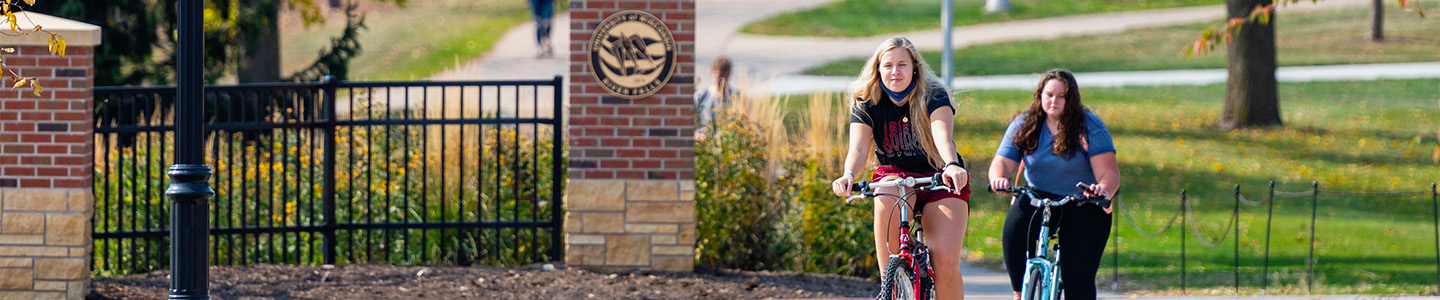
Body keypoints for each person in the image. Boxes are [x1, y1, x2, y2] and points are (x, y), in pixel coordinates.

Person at [830, 36, 971, 300]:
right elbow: (859, 149)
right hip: (896, 177)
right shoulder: (867, 100)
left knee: (944, 259)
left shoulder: (933, 94)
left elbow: (943, 136)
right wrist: (849, 175)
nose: (895, 71)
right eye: (888, 65)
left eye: (902, 65)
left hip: (939, 177)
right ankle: (891, 289)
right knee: (891, 243)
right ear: (878, 69)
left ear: (915, 68)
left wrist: (952, 165)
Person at [986, 69, 1120, 300]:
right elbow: (1002, 163)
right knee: (1014, 231)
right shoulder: (1025, 123)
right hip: (1038, 196)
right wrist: (999, 179)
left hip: (1081, 200)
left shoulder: (1089, 127)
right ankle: (1021, 293)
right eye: (1049, 94)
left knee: (1078, 276)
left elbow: (1109, 173)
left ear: (1072, 99)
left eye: (1061, 96)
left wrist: (1102, 189)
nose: (1053, 101)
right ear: (1040, 96)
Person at [694, 56, 737, 141]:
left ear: (729, 74)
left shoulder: (737, 98)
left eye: (724, 75)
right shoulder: (701, 96)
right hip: (705, 146)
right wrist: (698, 135)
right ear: (712, 73)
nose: (721, 79)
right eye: (718, 74)